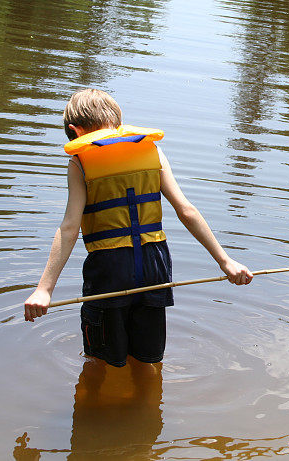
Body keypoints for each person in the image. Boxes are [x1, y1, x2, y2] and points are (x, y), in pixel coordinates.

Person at [24, 88, 253, 368]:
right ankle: (147, 407)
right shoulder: (151, 150)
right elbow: (186, 211)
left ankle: (100, 408)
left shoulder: (79, 162)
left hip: (109, 272)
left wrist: (44, 290)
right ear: (117, 122)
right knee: (148, 364)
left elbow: (70, 227)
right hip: (154, 268)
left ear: (75, 130)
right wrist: (225, 261)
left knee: (100, 364)